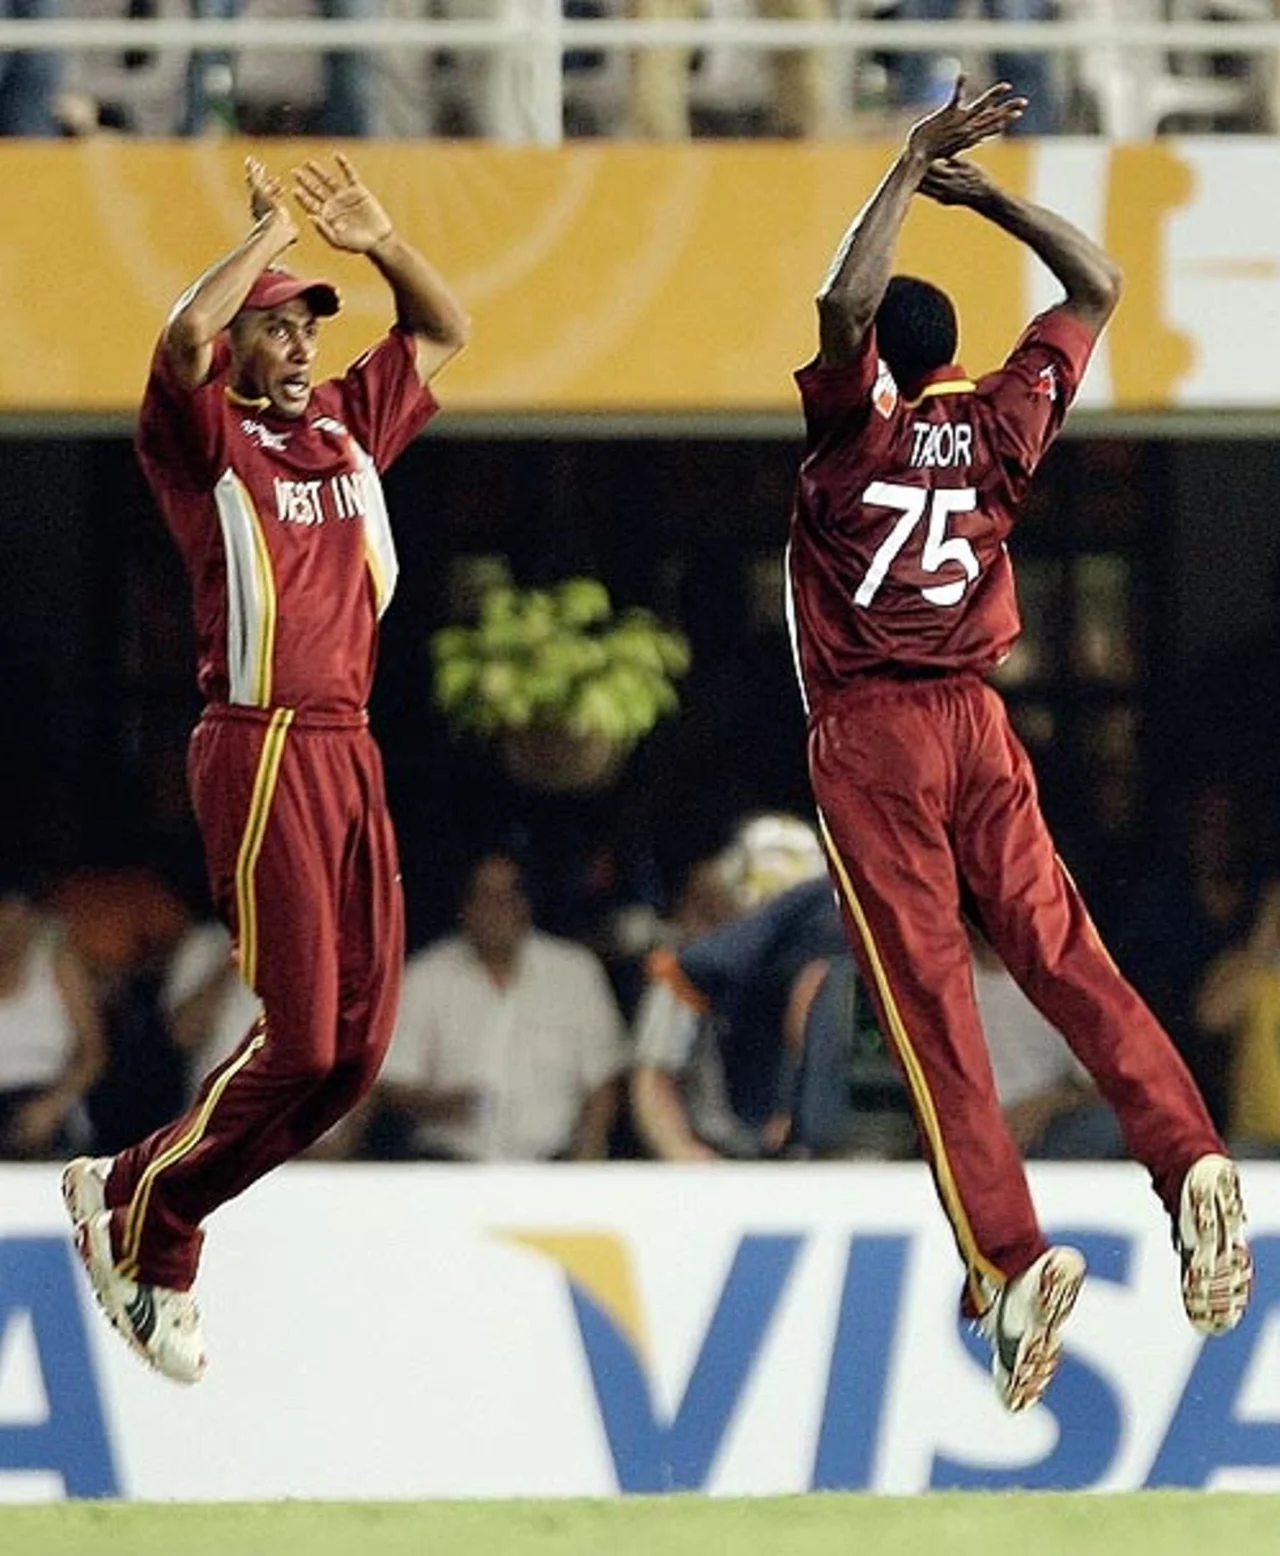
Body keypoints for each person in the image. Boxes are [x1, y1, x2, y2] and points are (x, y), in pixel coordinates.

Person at [785, 78, 1251, 1414]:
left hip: (873, 732)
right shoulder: (994, 420)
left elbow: (834, 309)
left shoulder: (849, 429)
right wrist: (988, 199)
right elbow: (1097, 282)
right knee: (1065, 952)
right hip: (980, 721)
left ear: (878, 354)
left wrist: (909, 164)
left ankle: (1008, 1259)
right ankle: (1189, 1157)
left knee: (936, 1010)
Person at [60, 150, 471, 1385]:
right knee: (298, 1037)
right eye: (276, 327)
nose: (295, 344)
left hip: (349, 745)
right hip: (260, 739)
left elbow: (444, 327)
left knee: (354, 1053)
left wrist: (380, 237)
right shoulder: (203, 444)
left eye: (304, 326)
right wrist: (259, 240)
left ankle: (137, 1199)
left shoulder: (346, 425)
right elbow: (182, 335)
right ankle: (144, 1210)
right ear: (241, 344)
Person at [369, 851, 628, 1162]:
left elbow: (605, 1080)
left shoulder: (575, 971)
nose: (498, 909)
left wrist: (585, 1159)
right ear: (465, 908)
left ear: (526, 903)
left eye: (509, 895)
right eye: (485, 896)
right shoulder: (426, 975)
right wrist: (438, 1104)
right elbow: (390, 1081)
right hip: (447, 1168)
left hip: (553, 1169)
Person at [0, 893, 104, 1160]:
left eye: (16, 914)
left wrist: (53, 1105)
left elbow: (94, 1054)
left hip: (51, 1104)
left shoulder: (56, 963)